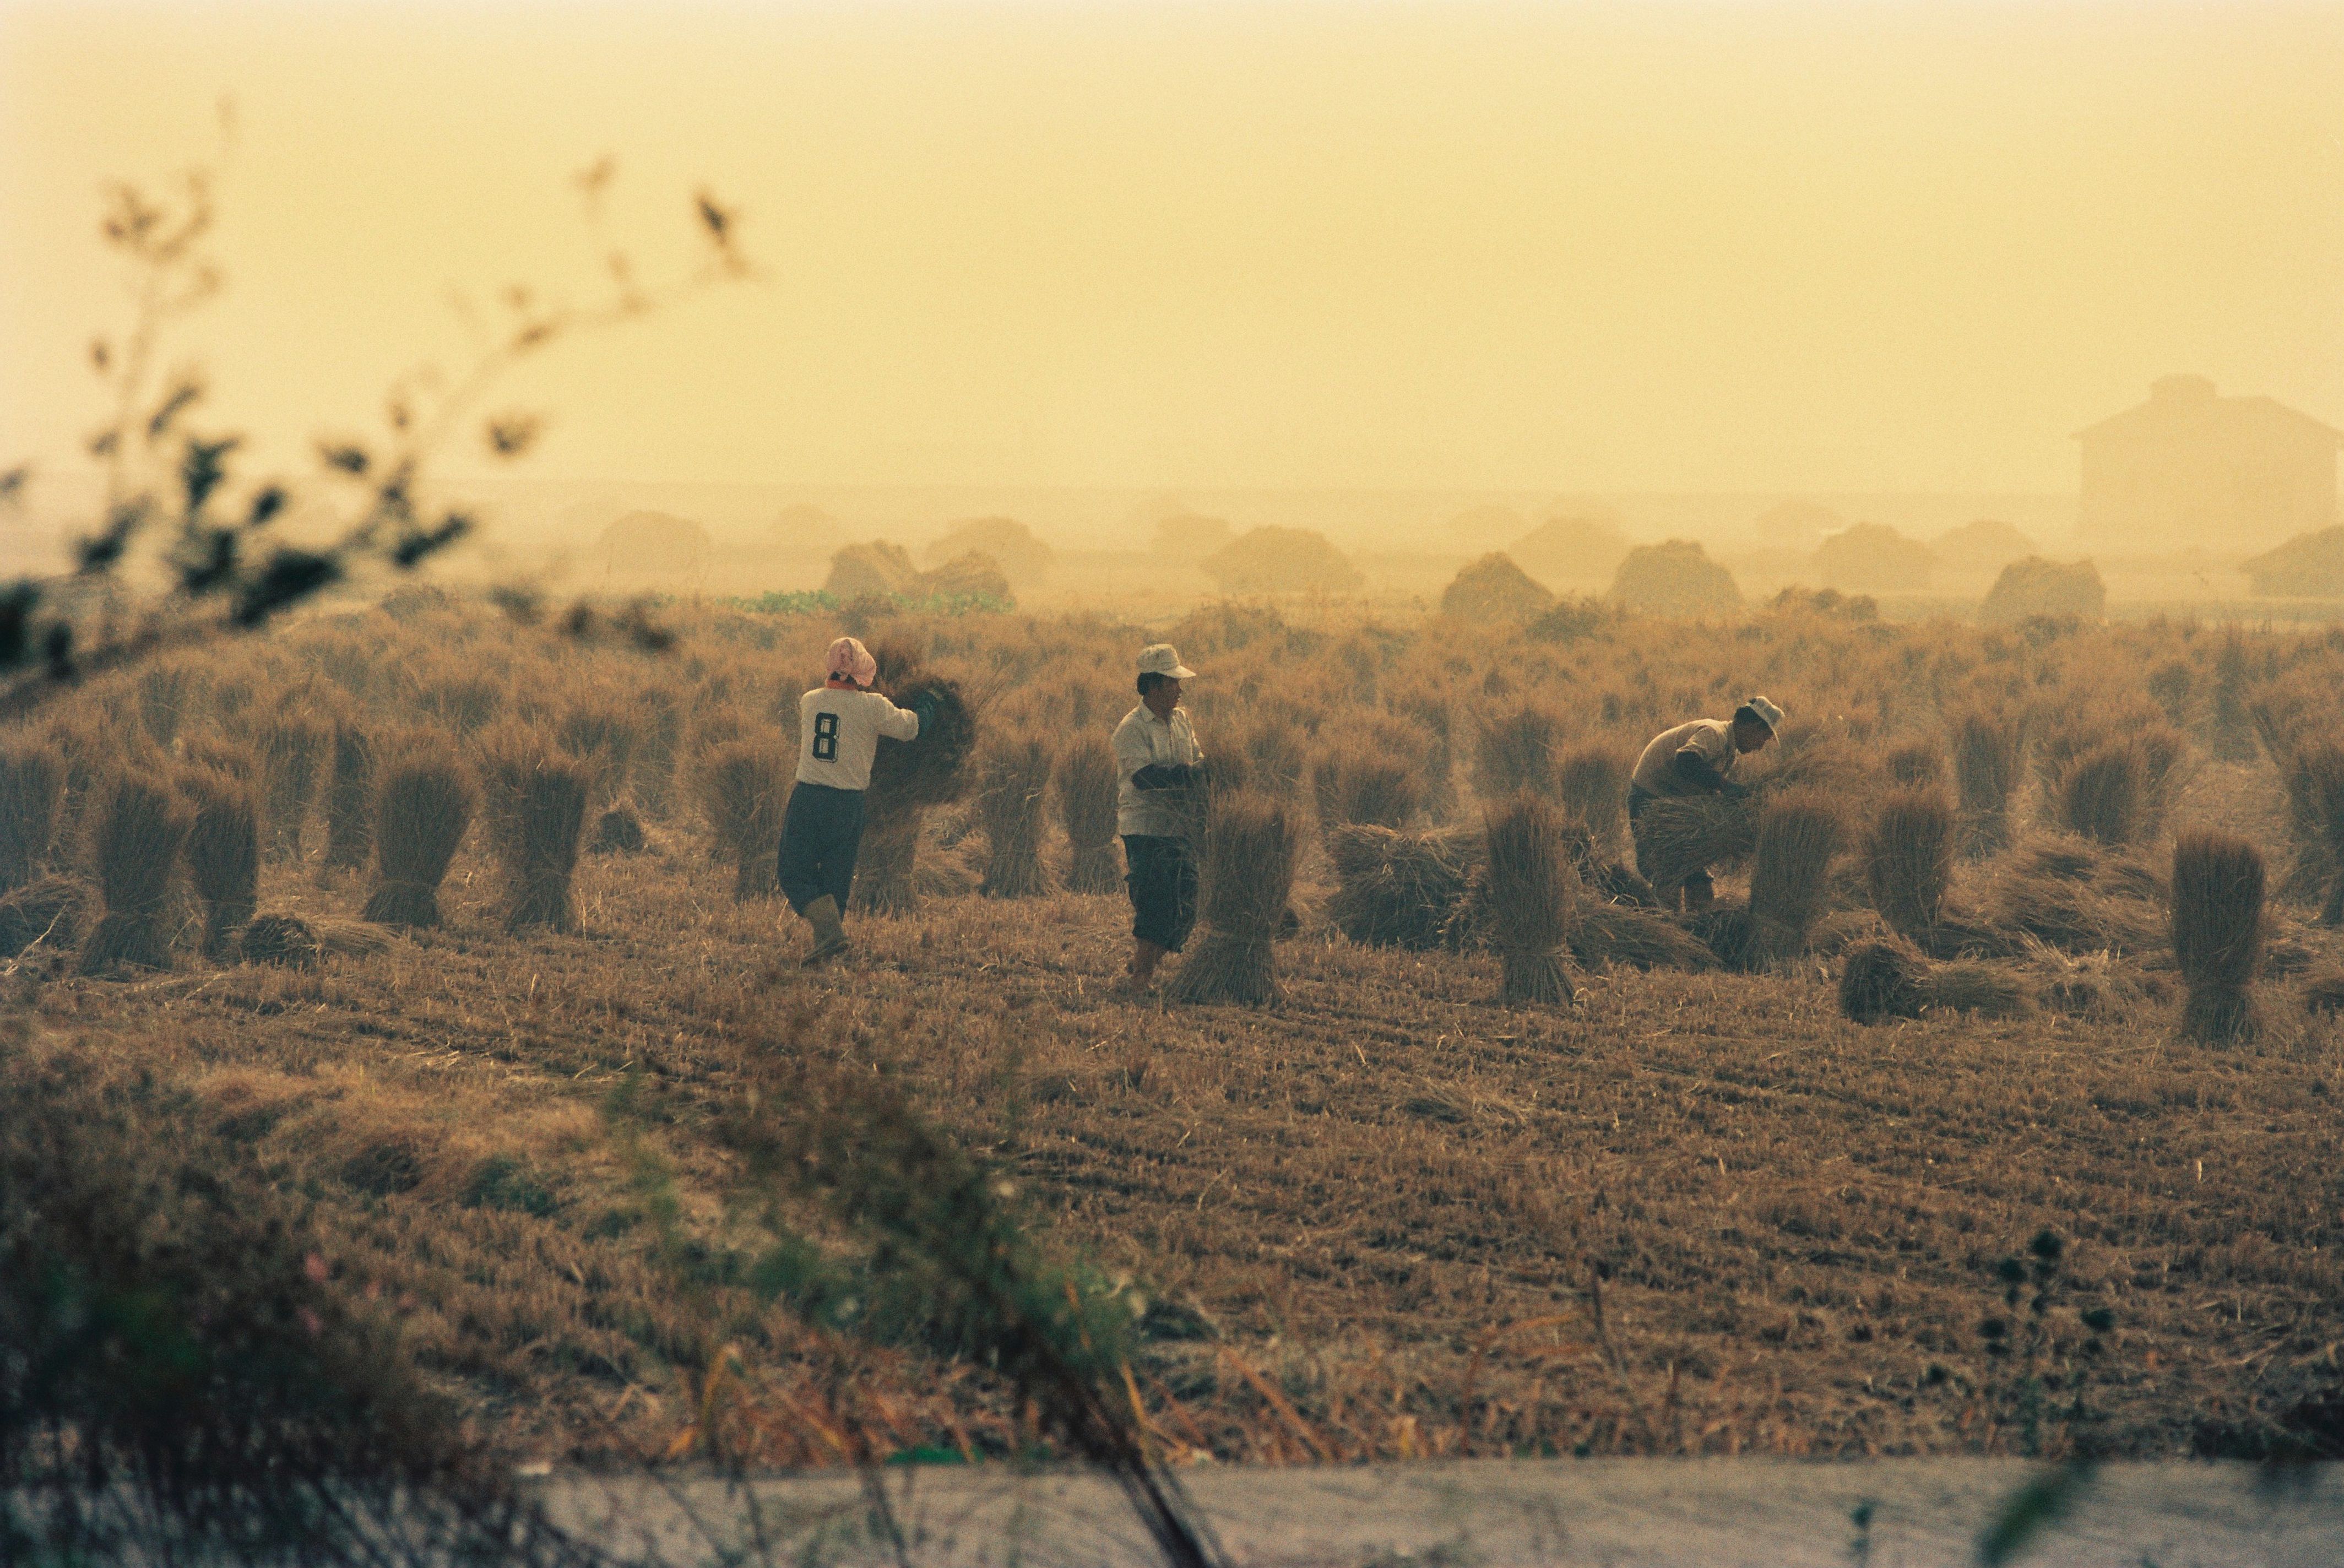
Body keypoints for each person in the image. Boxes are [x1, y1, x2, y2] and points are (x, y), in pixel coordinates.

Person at [778, 636, 929, 964]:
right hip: (848, 806)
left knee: (792, 871)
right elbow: (910, 729)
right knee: (837, 876)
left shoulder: (810, 701)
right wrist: (929, 710)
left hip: (809, 799)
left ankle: (828, 939)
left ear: (830, 668)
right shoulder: (873, 706)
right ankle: (831, 938)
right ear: (862, 672)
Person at [1627, 695, 1784, 911]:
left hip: (1674, 804)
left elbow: (1703, 787)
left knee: (1698, 880)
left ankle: (1696, 927)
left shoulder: (1729, 751)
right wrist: (1725, 785)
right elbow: (1685, 761)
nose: (1760, 746)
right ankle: (1664, 926)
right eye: (1763, 738)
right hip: (1651, 800)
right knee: (1665, 874)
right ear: (1753, 727)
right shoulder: (1715, 734)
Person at [1111, 643, 1206, 991]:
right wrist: (1186, 775)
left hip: (1179, 828)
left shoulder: (1182, 721)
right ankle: (1141, 980)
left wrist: (1207, 773)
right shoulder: (1131, 729)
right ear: (1153, 686)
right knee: (1154, 903)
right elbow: (1143, 778)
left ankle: (1143, 960)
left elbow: (1198, 760)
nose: (1180, 690)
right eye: (1172, 684)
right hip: (1145, 829)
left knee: (1188, 903)